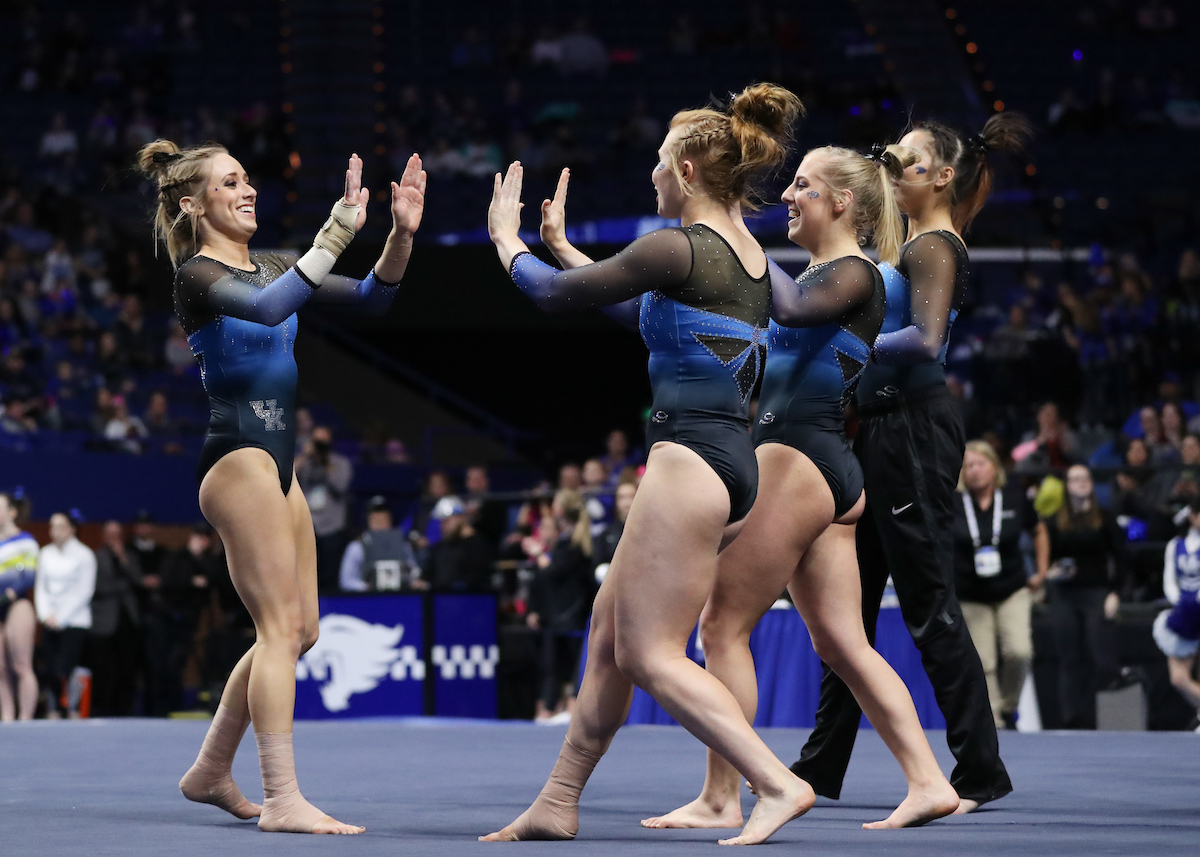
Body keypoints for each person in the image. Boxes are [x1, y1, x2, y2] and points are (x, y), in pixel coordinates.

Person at [482, 83, 812, 846]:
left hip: (688, 462)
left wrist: (510, 241)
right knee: (608, 634)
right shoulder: (745, 255)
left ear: (689, 170)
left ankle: (776, 781)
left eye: (661, 165)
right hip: (728, 464)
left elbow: (555, 297)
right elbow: (648, 315)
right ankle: (558, 799)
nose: (653, 177)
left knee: (650, 651)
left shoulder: (676, 245)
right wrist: (566, 246)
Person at [644, 143, 957, 832]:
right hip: (824, 467)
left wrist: (724, 219)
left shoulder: (853, 273)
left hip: (798, 458)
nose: (788, 193)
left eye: (803, 186)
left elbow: (779, 305)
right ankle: (928, 779)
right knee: (843, 643)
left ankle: (725, 793)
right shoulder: (829, 271)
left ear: (841, 203)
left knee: (722, 624)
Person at [137, 137, 425, 833]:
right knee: (275, 629)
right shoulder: (198, 277)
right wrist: (333, 233)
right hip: (237, 457)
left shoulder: (269, 263)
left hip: (280, 461)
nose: (248, 188)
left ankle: (209, 768)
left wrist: (400, 236)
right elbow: (267, 310)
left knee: (300, 632)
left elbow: (370, 297)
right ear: (192, 202)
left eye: (247, 178)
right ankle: (283, 796)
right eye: (230, 181)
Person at [791, 113, 1031, 813]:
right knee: (847, 612)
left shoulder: (934, 243)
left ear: (944, 177)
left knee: (927, 607)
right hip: (883, 432)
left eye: (911, 161)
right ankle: (818, 767)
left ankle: (980, 770)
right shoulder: (912, 242)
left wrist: (851, 347)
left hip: (913, 434)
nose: (897, 170)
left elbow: (924, 342)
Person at [1034, 464, 1125, 729]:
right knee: (1068, 658)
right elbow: (1046, 559)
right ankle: (1072, 720)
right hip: (1064, 593)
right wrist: (1049, 574)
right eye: (1074, 479)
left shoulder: (1106, 518)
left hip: (1097, 592)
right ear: (1067, 486)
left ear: (1091, 483)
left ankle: (1108, 720)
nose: (1081, 483)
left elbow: (1120, 558)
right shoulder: (1053, 522)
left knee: (1102, 656)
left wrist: (1115, 593)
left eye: (1085, 478)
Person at [954, 441, 1037, 730]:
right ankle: (995, 721)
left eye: (980, 464)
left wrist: (1041, 570)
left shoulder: (1014, 496)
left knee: (1019, 651)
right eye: (968, 466)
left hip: (1011, 588)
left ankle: (1010, 706)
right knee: (984, 660)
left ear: (994, 467)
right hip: (970, 593)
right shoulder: (953, 501)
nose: (974, 471)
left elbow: (1038, 531)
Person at [525, 490, 597, 721]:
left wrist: (538, 554)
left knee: (571, 668)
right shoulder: (565, 543)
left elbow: (554, 573)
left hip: (572, 617)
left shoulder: (575, 546)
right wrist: (537, 609)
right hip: (558, 616)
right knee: (554, 667)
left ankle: (570, 710)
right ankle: (554, 708)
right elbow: (546, 582)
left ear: (561, 511)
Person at [35, 512, 96, 719]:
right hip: (49, 621)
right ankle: (53, 709)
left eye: (60, 526)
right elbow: (41, 589)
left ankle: (72, 708)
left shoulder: (85, 554)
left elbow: (84, 591)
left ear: (72, 529)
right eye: (52, 527)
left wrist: (61, 618)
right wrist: (46, 615)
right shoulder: (45, 554)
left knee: (67, 667)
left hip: (75, 621)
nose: (55, 531)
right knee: (51, 667)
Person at [90, 520, 143, 717]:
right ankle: (100, 710)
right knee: (102, 668)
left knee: (127, 668)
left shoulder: (130, 557)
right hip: (103, 621)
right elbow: (96, 588)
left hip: (127, 620)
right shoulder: (95, 557)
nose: (114, 538)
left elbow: (139, 581)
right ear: (103, 536)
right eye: (110, 534)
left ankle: (125, 710)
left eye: (117, 534)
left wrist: (123, 560)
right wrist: (122, 586)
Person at [1153, 501, 1200, 724]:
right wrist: (1181, 601)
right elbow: (1169, 580)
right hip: (1185, 614)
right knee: (1179, 678)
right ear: (1193, 516)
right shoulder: (1176, 545)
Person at [296, 425, 353, 593]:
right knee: (306, 578)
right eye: (317, 441)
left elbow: (340, 486)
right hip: (308, 528)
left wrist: (326, 463)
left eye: (323, 442)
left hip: (331, 529)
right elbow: (287, 478)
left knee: (329, 579)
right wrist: (305, 455)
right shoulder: (306, 463)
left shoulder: (340, 463)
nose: (320, 445)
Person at [0, 491, 39, 721]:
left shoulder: (26, 541)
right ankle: (6, 716)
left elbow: (28, 575)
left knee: (21, 665)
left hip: (17, 604)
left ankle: (25, 719)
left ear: (11, 513)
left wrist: (11, 591)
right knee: (0, 670)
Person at [339, 495, 421, 592]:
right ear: (368, 520)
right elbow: (346, 581)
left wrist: (413, 583)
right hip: (368, 601)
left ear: (390, 520)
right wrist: (368, 588)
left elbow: (414, 572)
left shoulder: (402, 545)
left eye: (384, 518)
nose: (380, 522)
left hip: (399, 598)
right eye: (376, 518)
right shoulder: (357, 547)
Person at [424, 496, 494, 591]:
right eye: (441, 522)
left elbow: (478, 577)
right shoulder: (440, 546)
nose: (442, 526)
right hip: (440, 599)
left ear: (461, 518)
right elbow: (428, 572)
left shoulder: (477, 544)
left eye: (446, 521)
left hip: (468, 599)